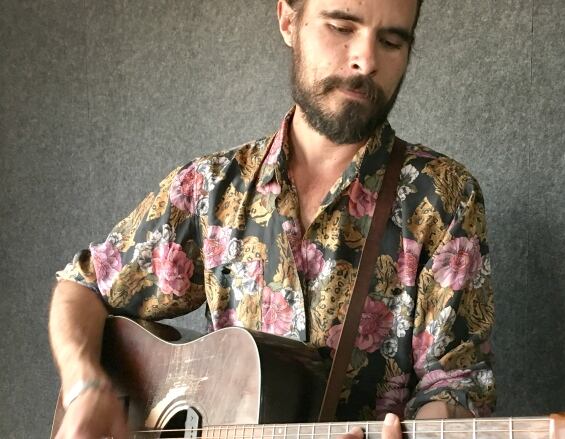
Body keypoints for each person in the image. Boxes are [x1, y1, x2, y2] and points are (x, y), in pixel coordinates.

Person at [49, 1, 496, 438]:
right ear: (288, 19)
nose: (366, 60)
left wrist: (439, 422)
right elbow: (82, 286)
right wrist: (84, 387)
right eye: (341, 27)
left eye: (392, 40)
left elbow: (455, 383)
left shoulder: (442, 196)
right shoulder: (211, 188)